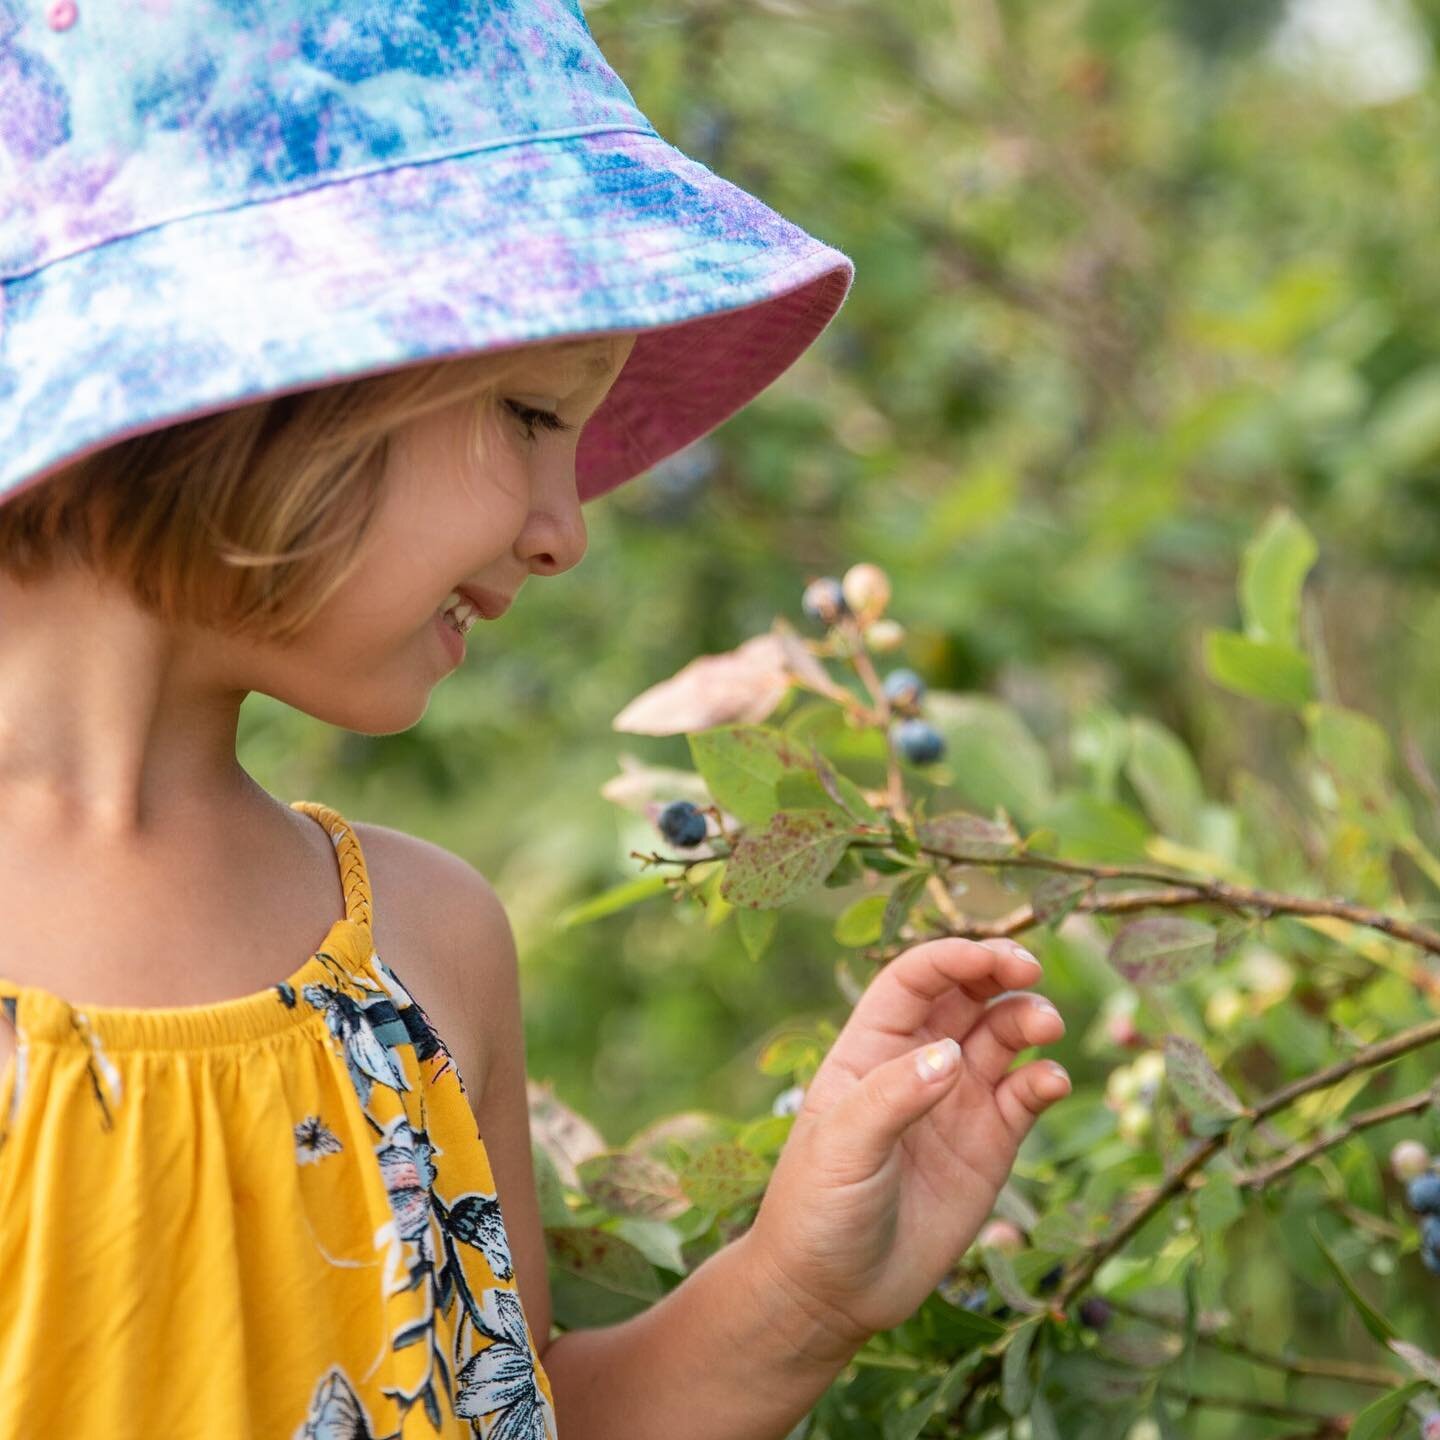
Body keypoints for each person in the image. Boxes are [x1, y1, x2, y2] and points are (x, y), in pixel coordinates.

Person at [0, 2, 1070, 1437]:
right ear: (265, 376)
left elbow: (513, 1409)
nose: (570, 530)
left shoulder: (426, 951)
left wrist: (800, 1293)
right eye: (526, 413)